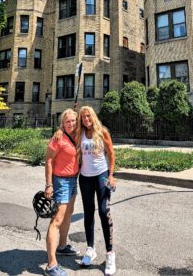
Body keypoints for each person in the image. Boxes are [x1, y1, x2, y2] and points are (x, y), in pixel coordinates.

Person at [77, 105, 116, 276]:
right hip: (85, 178)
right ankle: (90, 249)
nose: (86, 120)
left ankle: (109, 253)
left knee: (103, 211)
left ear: (93, 116)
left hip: (101, 175)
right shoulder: (80, 133)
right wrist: (57, 133)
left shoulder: (103, 132)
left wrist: (111, 175)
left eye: (88, 116)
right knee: (88, 213)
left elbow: (111, 153)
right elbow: (65, 131)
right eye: (83, 117)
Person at [44, 108, 80, 276]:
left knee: (68, 215)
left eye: (73, 120)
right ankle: (51, 265)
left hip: (74, 180)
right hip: (61, 181)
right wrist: (49, 185)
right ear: (62, 124)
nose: (71, 123)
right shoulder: (57, 138)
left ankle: (62, 246)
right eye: (67, 121)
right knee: (57, 219)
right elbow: (49, 161)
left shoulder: (77, 135)